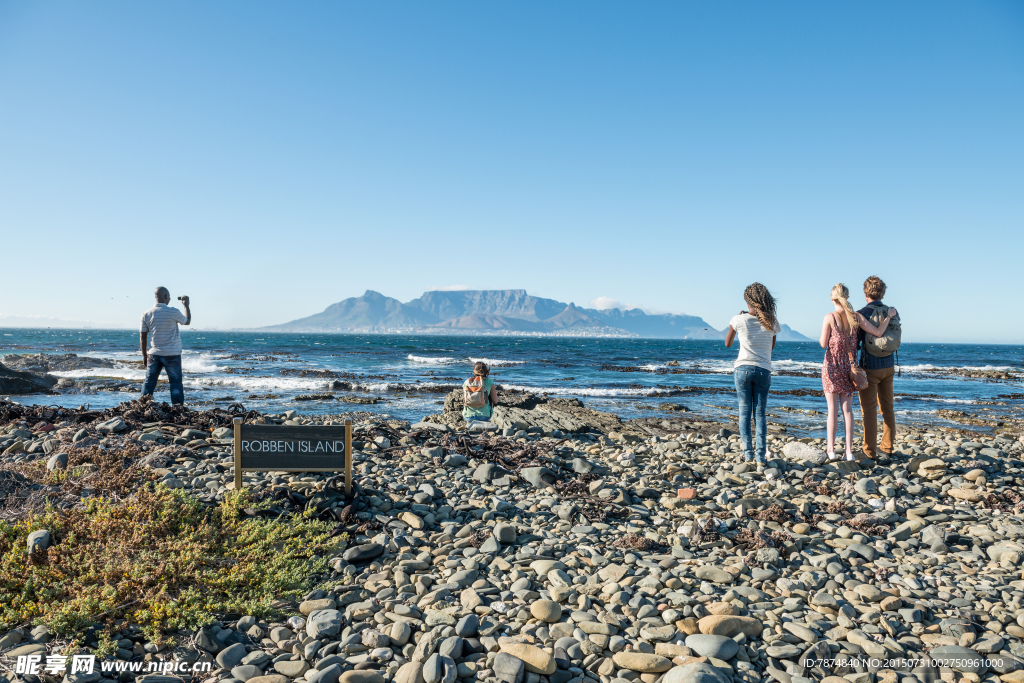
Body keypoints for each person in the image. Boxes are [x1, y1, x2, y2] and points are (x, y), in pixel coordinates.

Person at [819, 283, 894, 461]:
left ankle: (830, 450)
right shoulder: (856, 317)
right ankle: (849, 452)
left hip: (832, 368)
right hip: (850, 369)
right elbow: (877, 332)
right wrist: (889, 316)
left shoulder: (829, 317)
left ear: (832, 298)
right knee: (848, 411)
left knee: (832, 410)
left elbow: (823, 344)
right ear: (847, 297)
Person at [724, 283, 779, 464]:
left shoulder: (738, 320)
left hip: (743, 368)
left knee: (744, 412)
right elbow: (770, 348)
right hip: (764, 369)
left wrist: (740, 321)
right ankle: (761, 456)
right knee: (760, 413)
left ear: (747, 301)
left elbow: (728, 344)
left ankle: (748, 454)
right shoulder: (771, 320)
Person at [856, 275, 899, 459]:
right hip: (889, 366)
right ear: (883, 292)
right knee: (887, 408)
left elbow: (856, 342)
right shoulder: (893, 312)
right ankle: (887, 448)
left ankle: (869, 451)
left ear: (866, 293)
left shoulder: (861, 314)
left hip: (870, 367)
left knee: (869, 410)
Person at [140, 287, 191, 405]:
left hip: (154, 354)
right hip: (172, 354)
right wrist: (186, 305)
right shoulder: (173, 311)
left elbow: (143, 337)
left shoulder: (146, 314)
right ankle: (177, 409)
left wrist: (144, 356)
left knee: (149, 383)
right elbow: (187, 321)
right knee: (175, 383)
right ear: (166, 297)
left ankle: (142, 406)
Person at [462, 361, 498, 426]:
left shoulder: (466, 382)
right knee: (490, 399)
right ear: (486, 371)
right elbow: (495, 401)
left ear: (474, 371)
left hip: (468, 417)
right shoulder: (489, 382)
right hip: (484, 417)